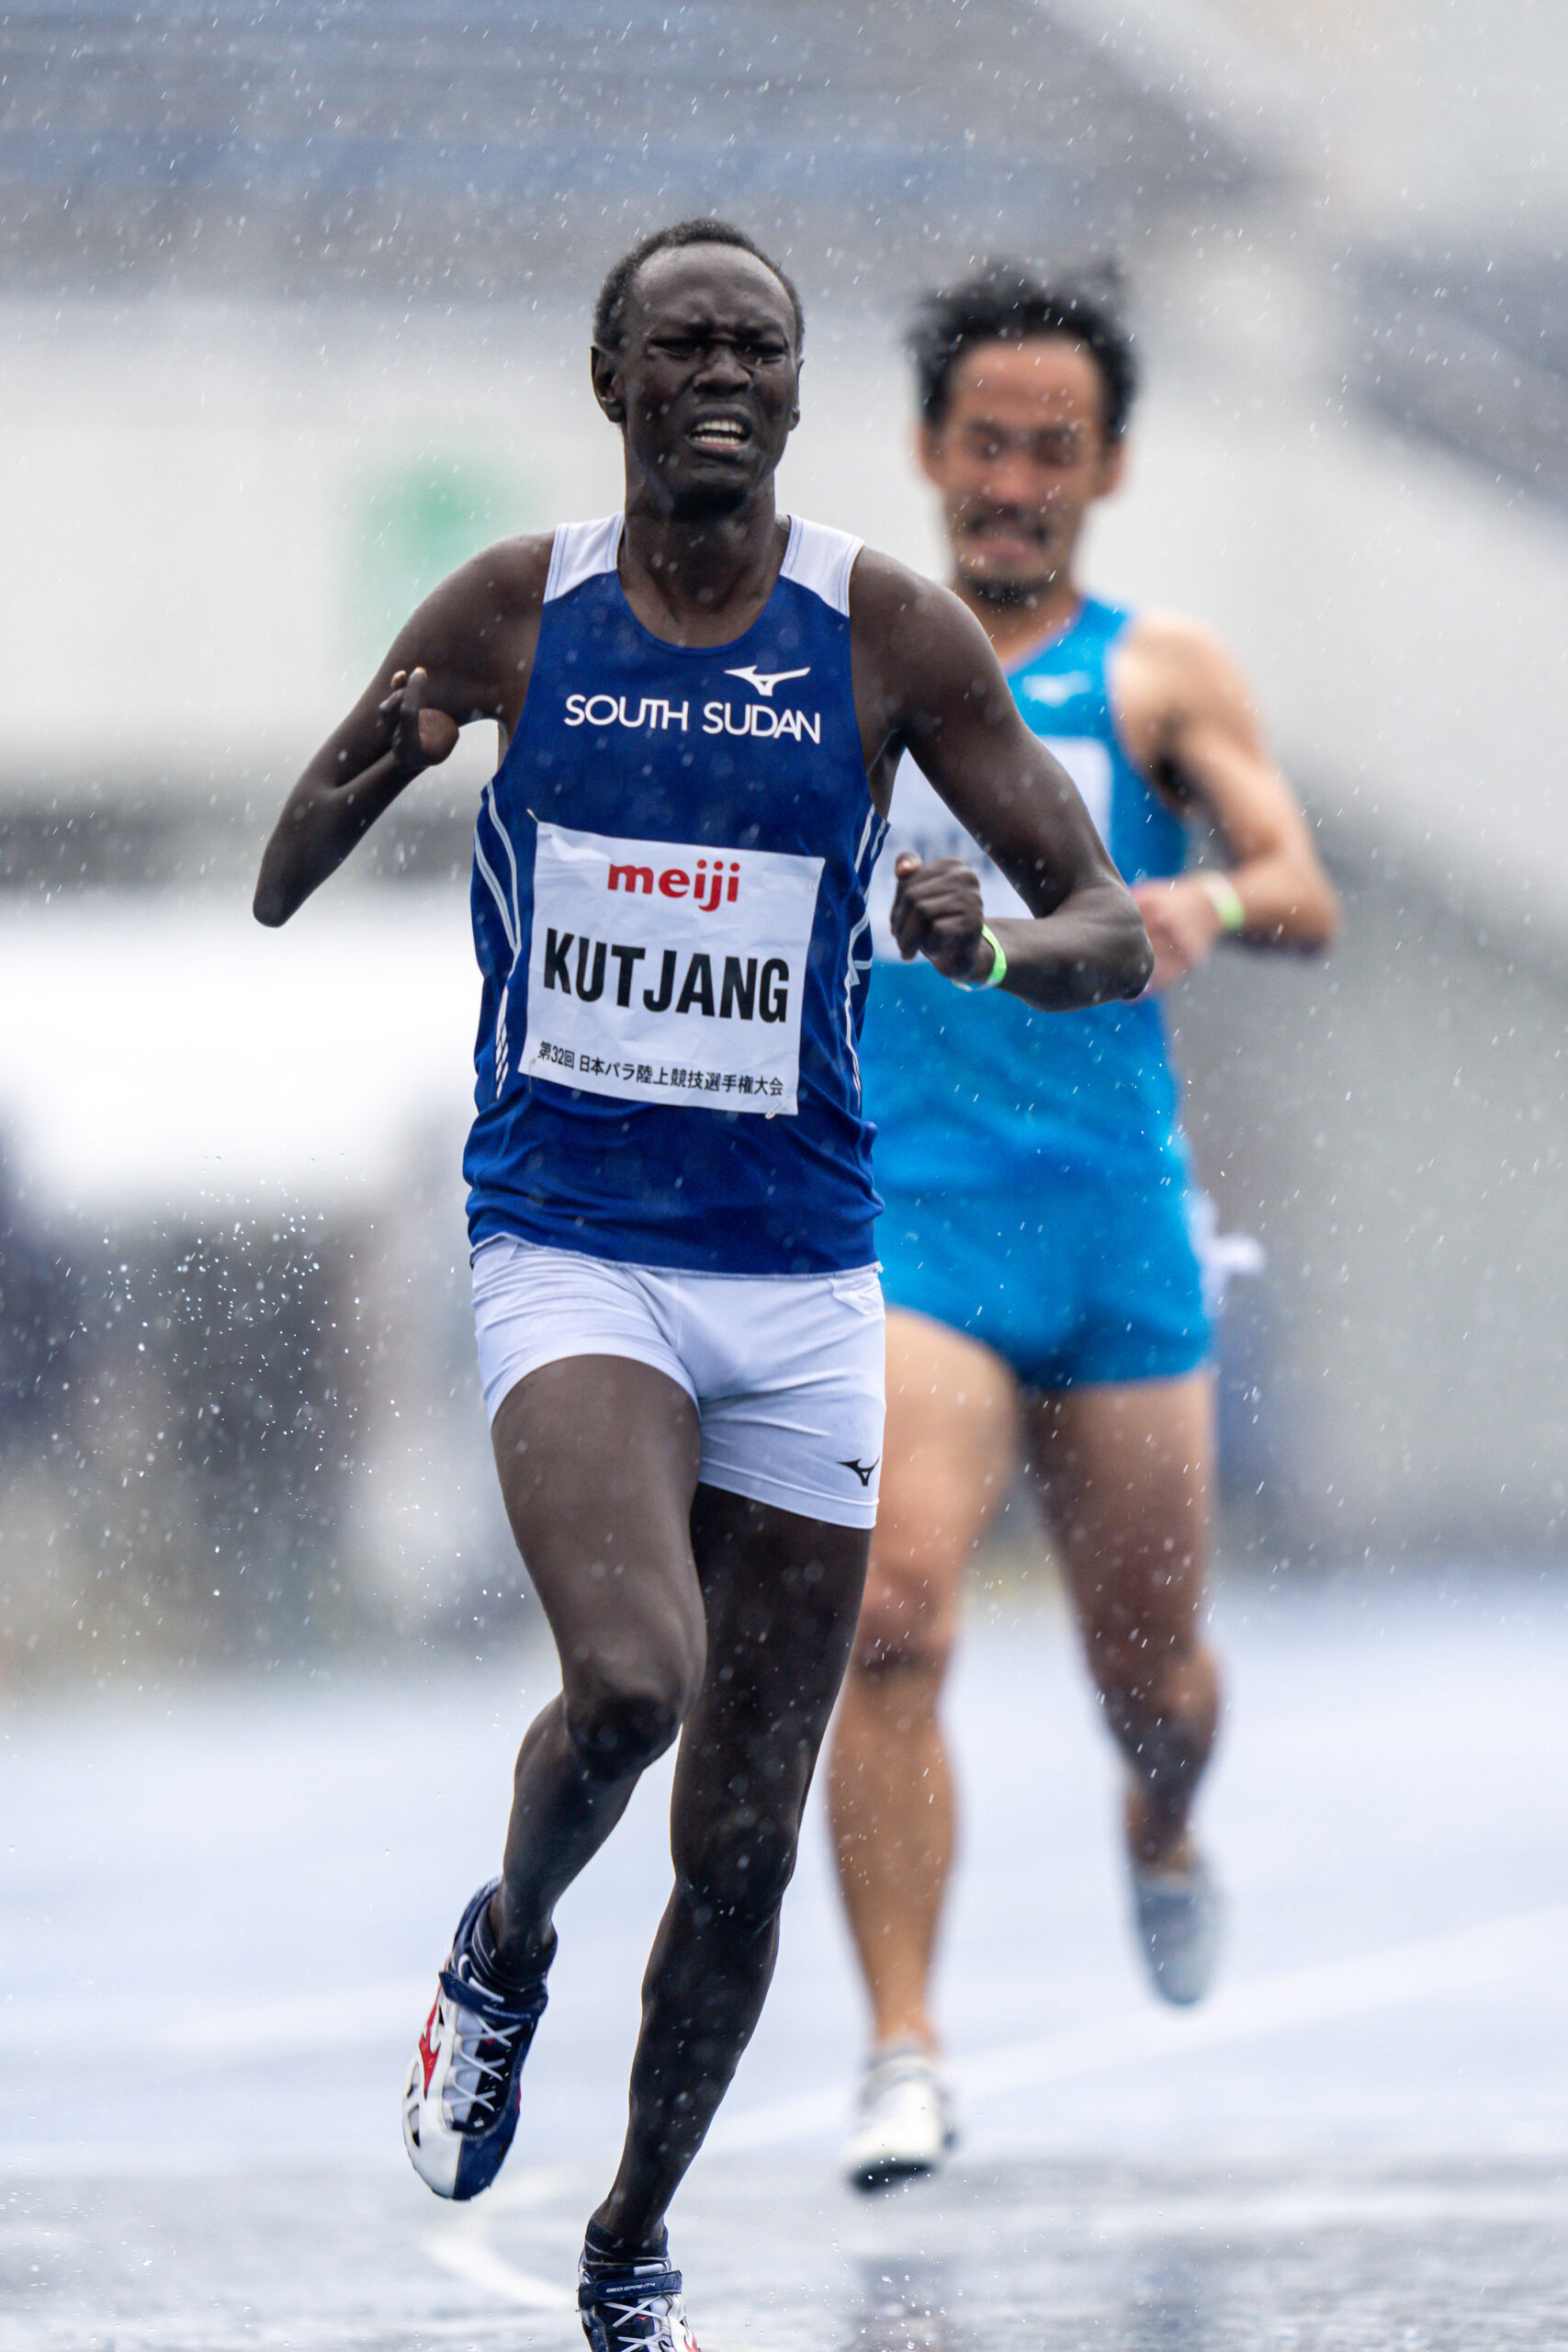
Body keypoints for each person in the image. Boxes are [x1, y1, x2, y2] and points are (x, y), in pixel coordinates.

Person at [254, 222, 1152, 2350]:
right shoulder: (509, 609)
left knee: (742, 1834)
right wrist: (382, 753)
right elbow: (286, 865)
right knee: (635, 1683)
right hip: (572, 1246)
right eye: (684, 346)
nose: (722, 375)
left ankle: (630, 2228)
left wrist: (985, 944)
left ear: (797, 389)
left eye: (759, 345)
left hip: (800, 1280)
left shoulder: (884, 636)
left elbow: (1104, 926)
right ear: (609, 378)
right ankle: (504, 1936)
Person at [827, 263, 1339, 2190]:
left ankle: (1157, 1813)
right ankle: (901, 2039)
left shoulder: (1156, 673)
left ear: (1103, 463)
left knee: (1156, 1675)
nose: (1014, 482)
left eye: (1052, 449)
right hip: (912, 1219)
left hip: (1114, 1228)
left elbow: (1298, 876)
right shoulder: (853, 658)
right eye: (985, 445)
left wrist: (1204, 901)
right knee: (884, 1613)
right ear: (928, 451)